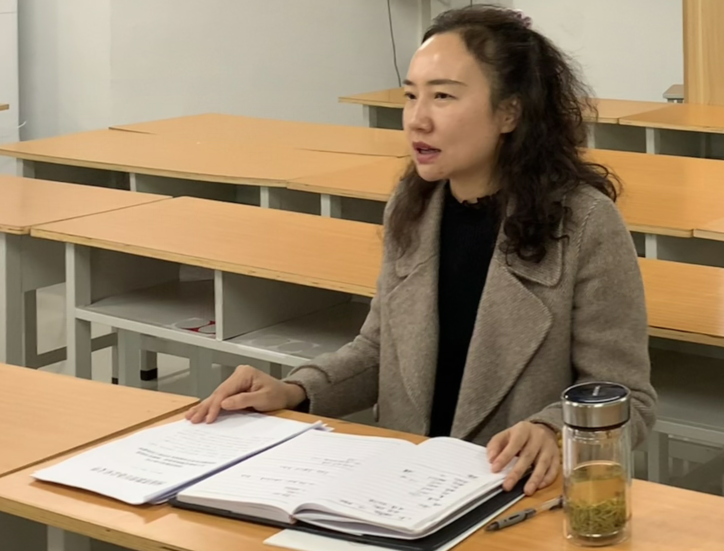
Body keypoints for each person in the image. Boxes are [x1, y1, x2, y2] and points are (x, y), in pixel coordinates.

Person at [187, 4, 656, 497]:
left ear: (509, 112)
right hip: (404, 486)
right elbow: (379, 350)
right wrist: (294, 389)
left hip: (510, 493)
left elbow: (629, 398)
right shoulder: (413, 206)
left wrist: (552, 430)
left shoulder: (584, 222)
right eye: (411, 96)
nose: (417, 120)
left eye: (443, 96)